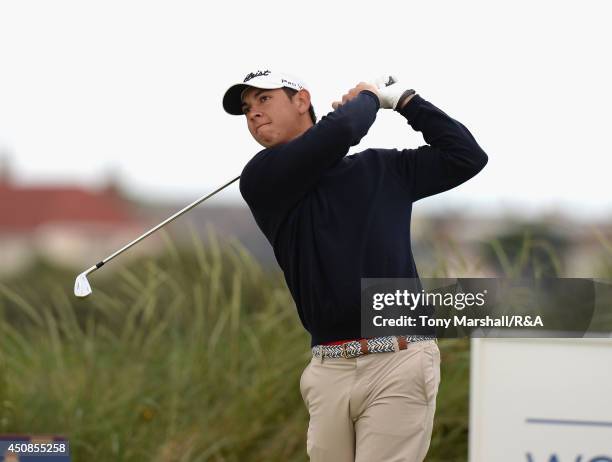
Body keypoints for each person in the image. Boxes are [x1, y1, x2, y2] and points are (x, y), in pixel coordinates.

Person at [222, 69, 488, 461]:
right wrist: (368, 97)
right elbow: (343, 129)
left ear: (302, 100)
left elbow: (466, 156)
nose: (254, 114)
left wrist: (405, 102)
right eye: (247, 108)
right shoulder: (262, 177)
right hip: (329, 370)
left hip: (400, 359)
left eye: (264, 99)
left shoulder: (383, 170)